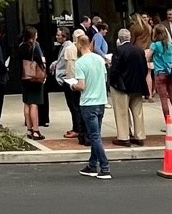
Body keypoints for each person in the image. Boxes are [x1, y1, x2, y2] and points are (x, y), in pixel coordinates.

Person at [67, 31, 112, 179]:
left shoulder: (80, 62)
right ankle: (92, 165)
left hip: (88, 102)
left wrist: (72, 86)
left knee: (94, 137)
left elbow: (81, 85)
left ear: (80, 45)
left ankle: (104, 167)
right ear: (90, 44)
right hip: (101, 100)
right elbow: (104, 78)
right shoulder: (99, 59)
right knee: (96, 135)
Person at [108, 28, 149, 146]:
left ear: (119, 39)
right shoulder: (139, 50)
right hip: (137, 85)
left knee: (122, 112)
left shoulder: (119, 50)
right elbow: (144, 68)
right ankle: (139, 136)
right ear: (130, 37)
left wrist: (112, 81)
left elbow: (115, 69)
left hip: (122, 86)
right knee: (138, 112)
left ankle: (124, 137)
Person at [16, 26, 49, 139]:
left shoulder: (21, 46)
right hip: (34, 78)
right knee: (34, 103)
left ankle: (29, 129)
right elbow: (40, 60)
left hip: (24, 77)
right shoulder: (35, 46)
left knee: (27, 103)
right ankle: (36, 130)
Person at [56, 27, 84, 141]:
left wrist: (71, 81)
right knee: (76, 106)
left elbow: (70, 68)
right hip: (78, 80)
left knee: (74, 106)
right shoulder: (83, 49)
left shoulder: (70, 48)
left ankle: (77, 129)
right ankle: (77, 128)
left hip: (72, 81)